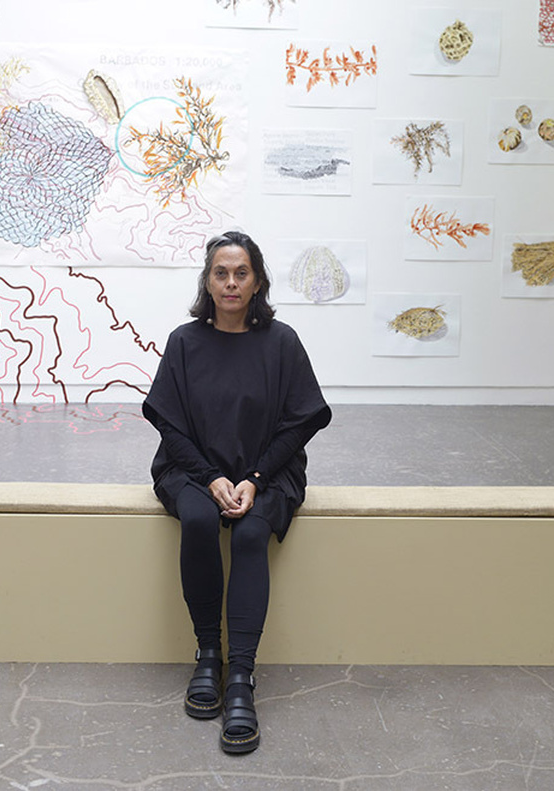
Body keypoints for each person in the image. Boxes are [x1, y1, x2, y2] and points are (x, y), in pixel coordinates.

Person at [142, 231, 332, 755]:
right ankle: (208, 655)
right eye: (220, 273)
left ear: (257, 281)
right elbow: (169, 427)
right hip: (193, 469)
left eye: (241, 272)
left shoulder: (282, 341)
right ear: (207, 281)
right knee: (201, 521)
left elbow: (299, 425)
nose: (230, 282)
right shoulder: (185, 341)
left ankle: (242, 677)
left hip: (268, 473)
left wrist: (253, 479)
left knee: (250, 534)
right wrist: (209, 478)